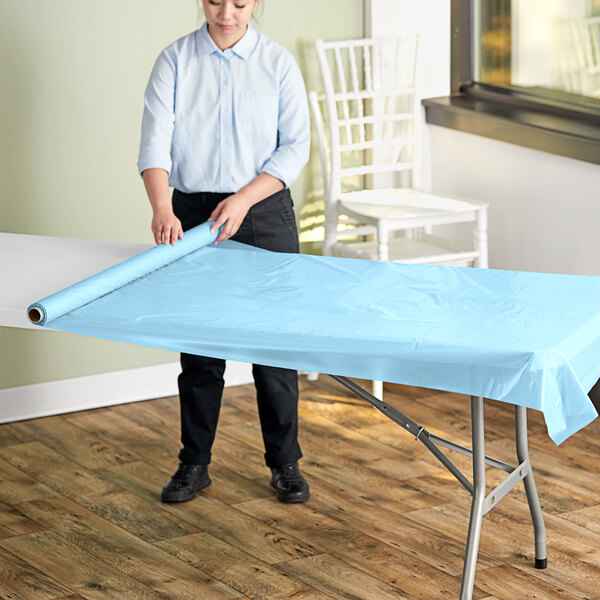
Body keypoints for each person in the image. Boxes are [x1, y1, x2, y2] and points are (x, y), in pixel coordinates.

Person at [137, 0, 311, 503]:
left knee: (273, 347)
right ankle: (193, 464)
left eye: (240, 2)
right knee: (199, 347)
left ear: (257, 3)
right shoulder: (174, 60)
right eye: (216, 1)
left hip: (262, 208)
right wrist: (161, 207)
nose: (227, 13)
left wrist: (243, 198)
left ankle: (285, 464)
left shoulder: (277, 63)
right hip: (190, 214)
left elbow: (295, 145)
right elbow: (155, 143)